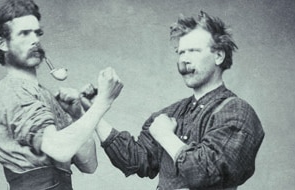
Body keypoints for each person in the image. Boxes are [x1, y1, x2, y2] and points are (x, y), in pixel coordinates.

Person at [94, 11, 265, 190]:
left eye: (193, 51)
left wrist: (166, 136)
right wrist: (91, 113)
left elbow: (206, 175)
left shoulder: (237, 112)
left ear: (219, 56)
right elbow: (135, 161)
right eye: (181, 52)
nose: (183, 59)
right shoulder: (168, 115)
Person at [0, 0, 123, 189]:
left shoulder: (43, 95)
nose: (35, 40)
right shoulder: (11, 91)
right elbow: (60, 149)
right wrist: (103, 103)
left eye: (37, 33)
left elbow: (89, 165)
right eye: (24, 33)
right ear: (2, 43)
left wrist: (77, 114)